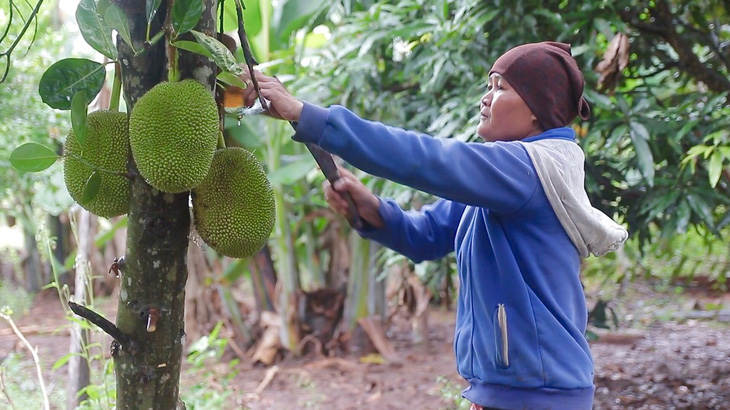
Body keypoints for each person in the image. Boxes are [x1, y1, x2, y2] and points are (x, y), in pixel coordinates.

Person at [242, 41, 628, 410]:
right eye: (488, 85)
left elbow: (425, 159)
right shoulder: (502, 181)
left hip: (539, 394)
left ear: (536, 109)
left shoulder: (526, 169)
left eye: (501, 87)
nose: (486, 97)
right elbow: (425, 236)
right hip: (511, 389)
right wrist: (373, 210)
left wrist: (305, 114)